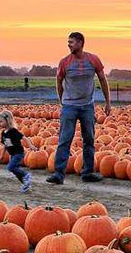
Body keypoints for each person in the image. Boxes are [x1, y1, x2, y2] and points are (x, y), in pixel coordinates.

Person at [46, 32, 111, 185]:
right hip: (70, 106)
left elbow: (103, 80)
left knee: (89, 139)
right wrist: (62, 101)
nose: (69, 45)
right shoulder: (64, 62)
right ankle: (58, 174)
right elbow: (59, 82)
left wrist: (108, 102)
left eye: (72, 42)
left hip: (87, 106)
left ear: (81, 43)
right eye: (68, 42)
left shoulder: (93, 59)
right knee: (64, 139)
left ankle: (87, 172)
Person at [0, 110, 37, 193]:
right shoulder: (3, 133)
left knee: (10, 167)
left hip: (18, 153)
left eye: (1, 121)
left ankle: (26, 175)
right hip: (12, 154)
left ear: (8, 121)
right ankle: (25, 184)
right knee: (15, 170)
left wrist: (30, 145)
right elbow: (5, 145)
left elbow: (24, 138)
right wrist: (2, 154)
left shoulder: (13, 131)